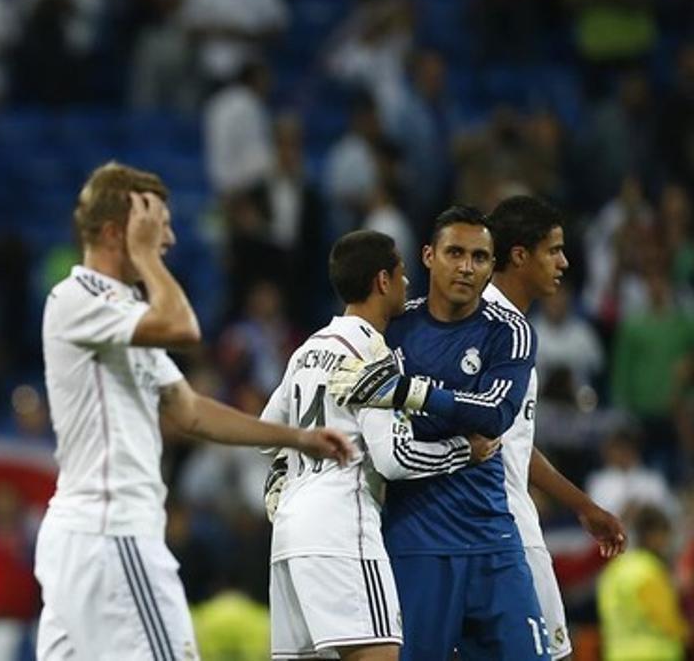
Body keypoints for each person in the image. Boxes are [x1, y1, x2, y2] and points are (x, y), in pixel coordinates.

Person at [35, 162, 352, 660]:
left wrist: (297, 438)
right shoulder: (77, 298)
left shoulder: (123, 315)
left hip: (89, 537)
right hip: (113, 531)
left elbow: (191, 412)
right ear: (120, 230)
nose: (169, 240)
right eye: (157, 225)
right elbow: (185, 327)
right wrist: (145, 257)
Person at [263, 230, 500, 661]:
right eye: (404, 274)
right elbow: (395, 459)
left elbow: (267, 430)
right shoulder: (371, 351)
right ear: (383, 281)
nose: (409, 284)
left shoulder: (307, 349)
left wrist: (281, 471)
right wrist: (465, 450)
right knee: (380, 653)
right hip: (342, 524)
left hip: (289, 530)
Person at [329, 206, 547, 660]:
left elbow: (496, 413)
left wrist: (412, 394)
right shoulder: (390, 328)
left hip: (492, 541)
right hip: (415, 542)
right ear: (428, 256)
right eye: (455, 252)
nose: (467, 267)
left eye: (481, 257)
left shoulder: (509, 332)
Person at [482, 196, 626, 659]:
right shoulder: (487, 330)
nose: (564, 263)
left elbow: (514, 444)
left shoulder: (512, 328)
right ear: (520, 255)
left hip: (500, 517)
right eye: (554, 250)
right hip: (496, 524)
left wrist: (583, 506)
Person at [598, 505, 689, 661]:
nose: (667, 543)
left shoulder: (613, 570)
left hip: (616, 655)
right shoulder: (649, 571)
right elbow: (666, 621)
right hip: (655, 655)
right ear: (654, 535)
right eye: (665, 536)